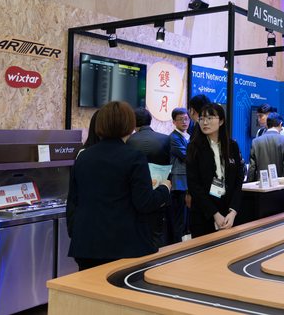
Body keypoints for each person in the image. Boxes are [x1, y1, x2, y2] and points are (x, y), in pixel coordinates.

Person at [66, 101, 171, 271]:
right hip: (125, 245)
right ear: (129, 125)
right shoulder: (134, 157)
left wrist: (75, 233)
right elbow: (144, 202)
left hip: (86, 245)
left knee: (89, 287)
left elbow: (73, 201)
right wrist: (165, 188)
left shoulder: (83, 157)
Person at [186, 103, 244, 238]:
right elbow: (194, 185)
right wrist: (215, 214)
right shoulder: (194, 147)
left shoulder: (232, 146)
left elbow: (238, 179)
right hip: (204, 213)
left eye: (210, 118)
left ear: (221, 121)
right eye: (201, 118)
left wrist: (233, 211)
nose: (205, 122)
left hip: (229, 211)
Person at [127, 107, 172, 247]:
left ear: (133, 122)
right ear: (150, 120)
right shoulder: (166, 139)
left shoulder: (128, 141)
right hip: (160, 191)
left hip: (135, 195)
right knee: (158, 232)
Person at [247, 112, 284, 182]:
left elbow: (252, 168)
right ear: (280, 124)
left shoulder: (255, 142)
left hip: (261, 185)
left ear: (267, 124)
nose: (281, 129)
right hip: (280, 186)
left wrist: (249, 184)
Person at [168, 107, 191, 243]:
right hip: (179, 182)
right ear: (174, 122)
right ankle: (177, 244)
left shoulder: (188, 136)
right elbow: (186, 156)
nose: (184, 122)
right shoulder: (173, 138)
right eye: (180, 119)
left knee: (187, 216)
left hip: (187, 180)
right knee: (179, 216)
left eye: (186, 119)